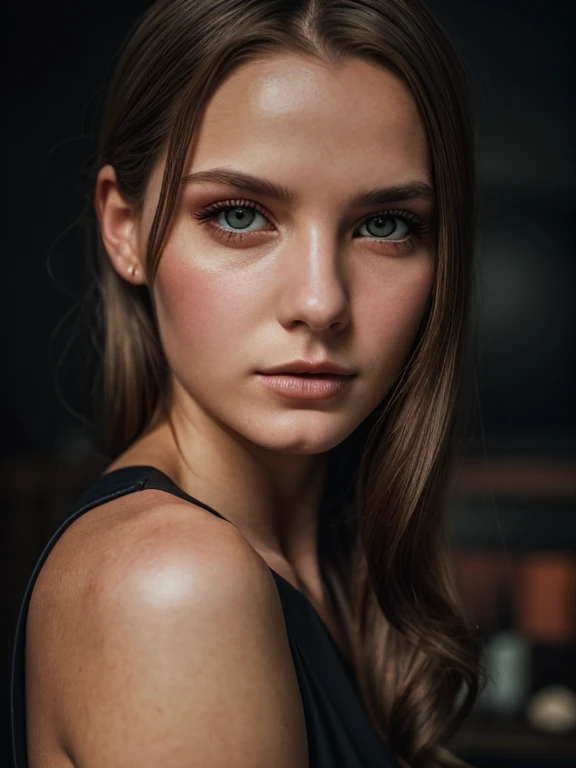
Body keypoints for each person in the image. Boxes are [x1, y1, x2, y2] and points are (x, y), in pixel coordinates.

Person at [11, 1, 487, 766]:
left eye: (387, 225)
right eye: (239, 214)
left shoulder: (328, 561)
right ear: (124, 228)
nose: (320, 302)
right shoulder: (172, 585)